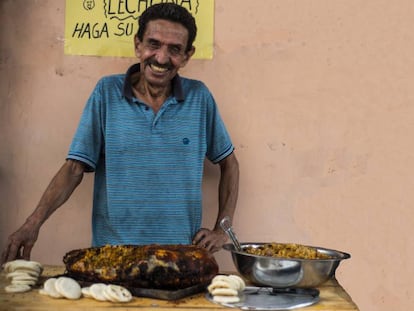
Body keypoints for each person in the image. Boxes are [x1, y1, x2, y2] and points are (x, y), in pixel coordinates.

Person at [1, 3, 239, 265]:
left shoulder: (199, 98)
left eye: (174, 49)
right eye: (153, 44)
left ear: (187, 55)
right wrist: (32, 224)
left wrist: (221, 230)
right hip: (114, 258)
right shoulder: (106, 93)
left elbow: (230, 164)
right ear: (138, 45)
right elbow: (73, 170)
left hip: (180, 259)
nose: (160, 58)